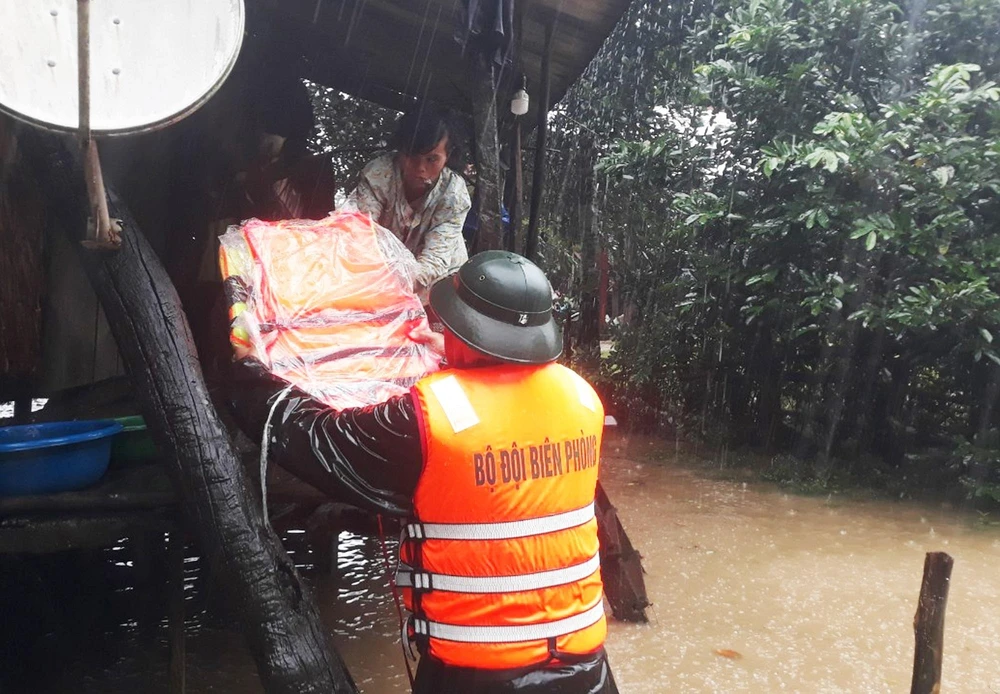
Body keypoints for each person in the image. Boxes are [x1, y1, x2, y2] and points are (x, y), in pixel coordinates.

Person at [230, 251, 618, 693]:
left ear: (464, 330)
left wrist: (251, 374)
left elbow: (315, 438)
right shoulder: (581, 398)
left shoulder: (427, 418)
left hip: (477, 680)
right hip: (588, 672)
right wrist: (461, 358)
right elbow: (505, 415)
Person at [344, 104, 472, 300]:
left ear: (448, 155)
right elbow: (362, 233)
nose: (420, 168)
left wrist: (395, 288)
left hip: (438, 287)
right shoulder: (379, 175)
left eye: (431, 159)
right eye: (412, 156)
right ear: (401, 150)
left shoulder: (454, 194)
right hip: (379, 278)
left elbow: (435, 260)